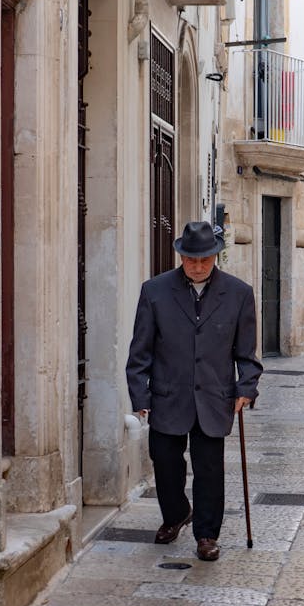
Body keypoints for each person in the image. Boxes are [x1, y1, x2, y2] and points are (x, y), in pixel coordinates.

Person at [126, 220, 262, 562]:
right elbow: (139, 352)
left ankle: (206, 534)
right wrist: (140, 397)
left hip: (214, 398)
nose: (198, 266)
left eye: (204, 260)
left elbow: (247, 354)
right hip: (167, 396)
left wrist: (246, 387)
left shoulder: (239, 293)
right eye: (191, 260)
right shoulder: (154, 291)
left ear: (216, 256)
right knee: (165, 462)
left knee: (209, 469)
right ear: (181, 256)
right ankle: (175, 515)